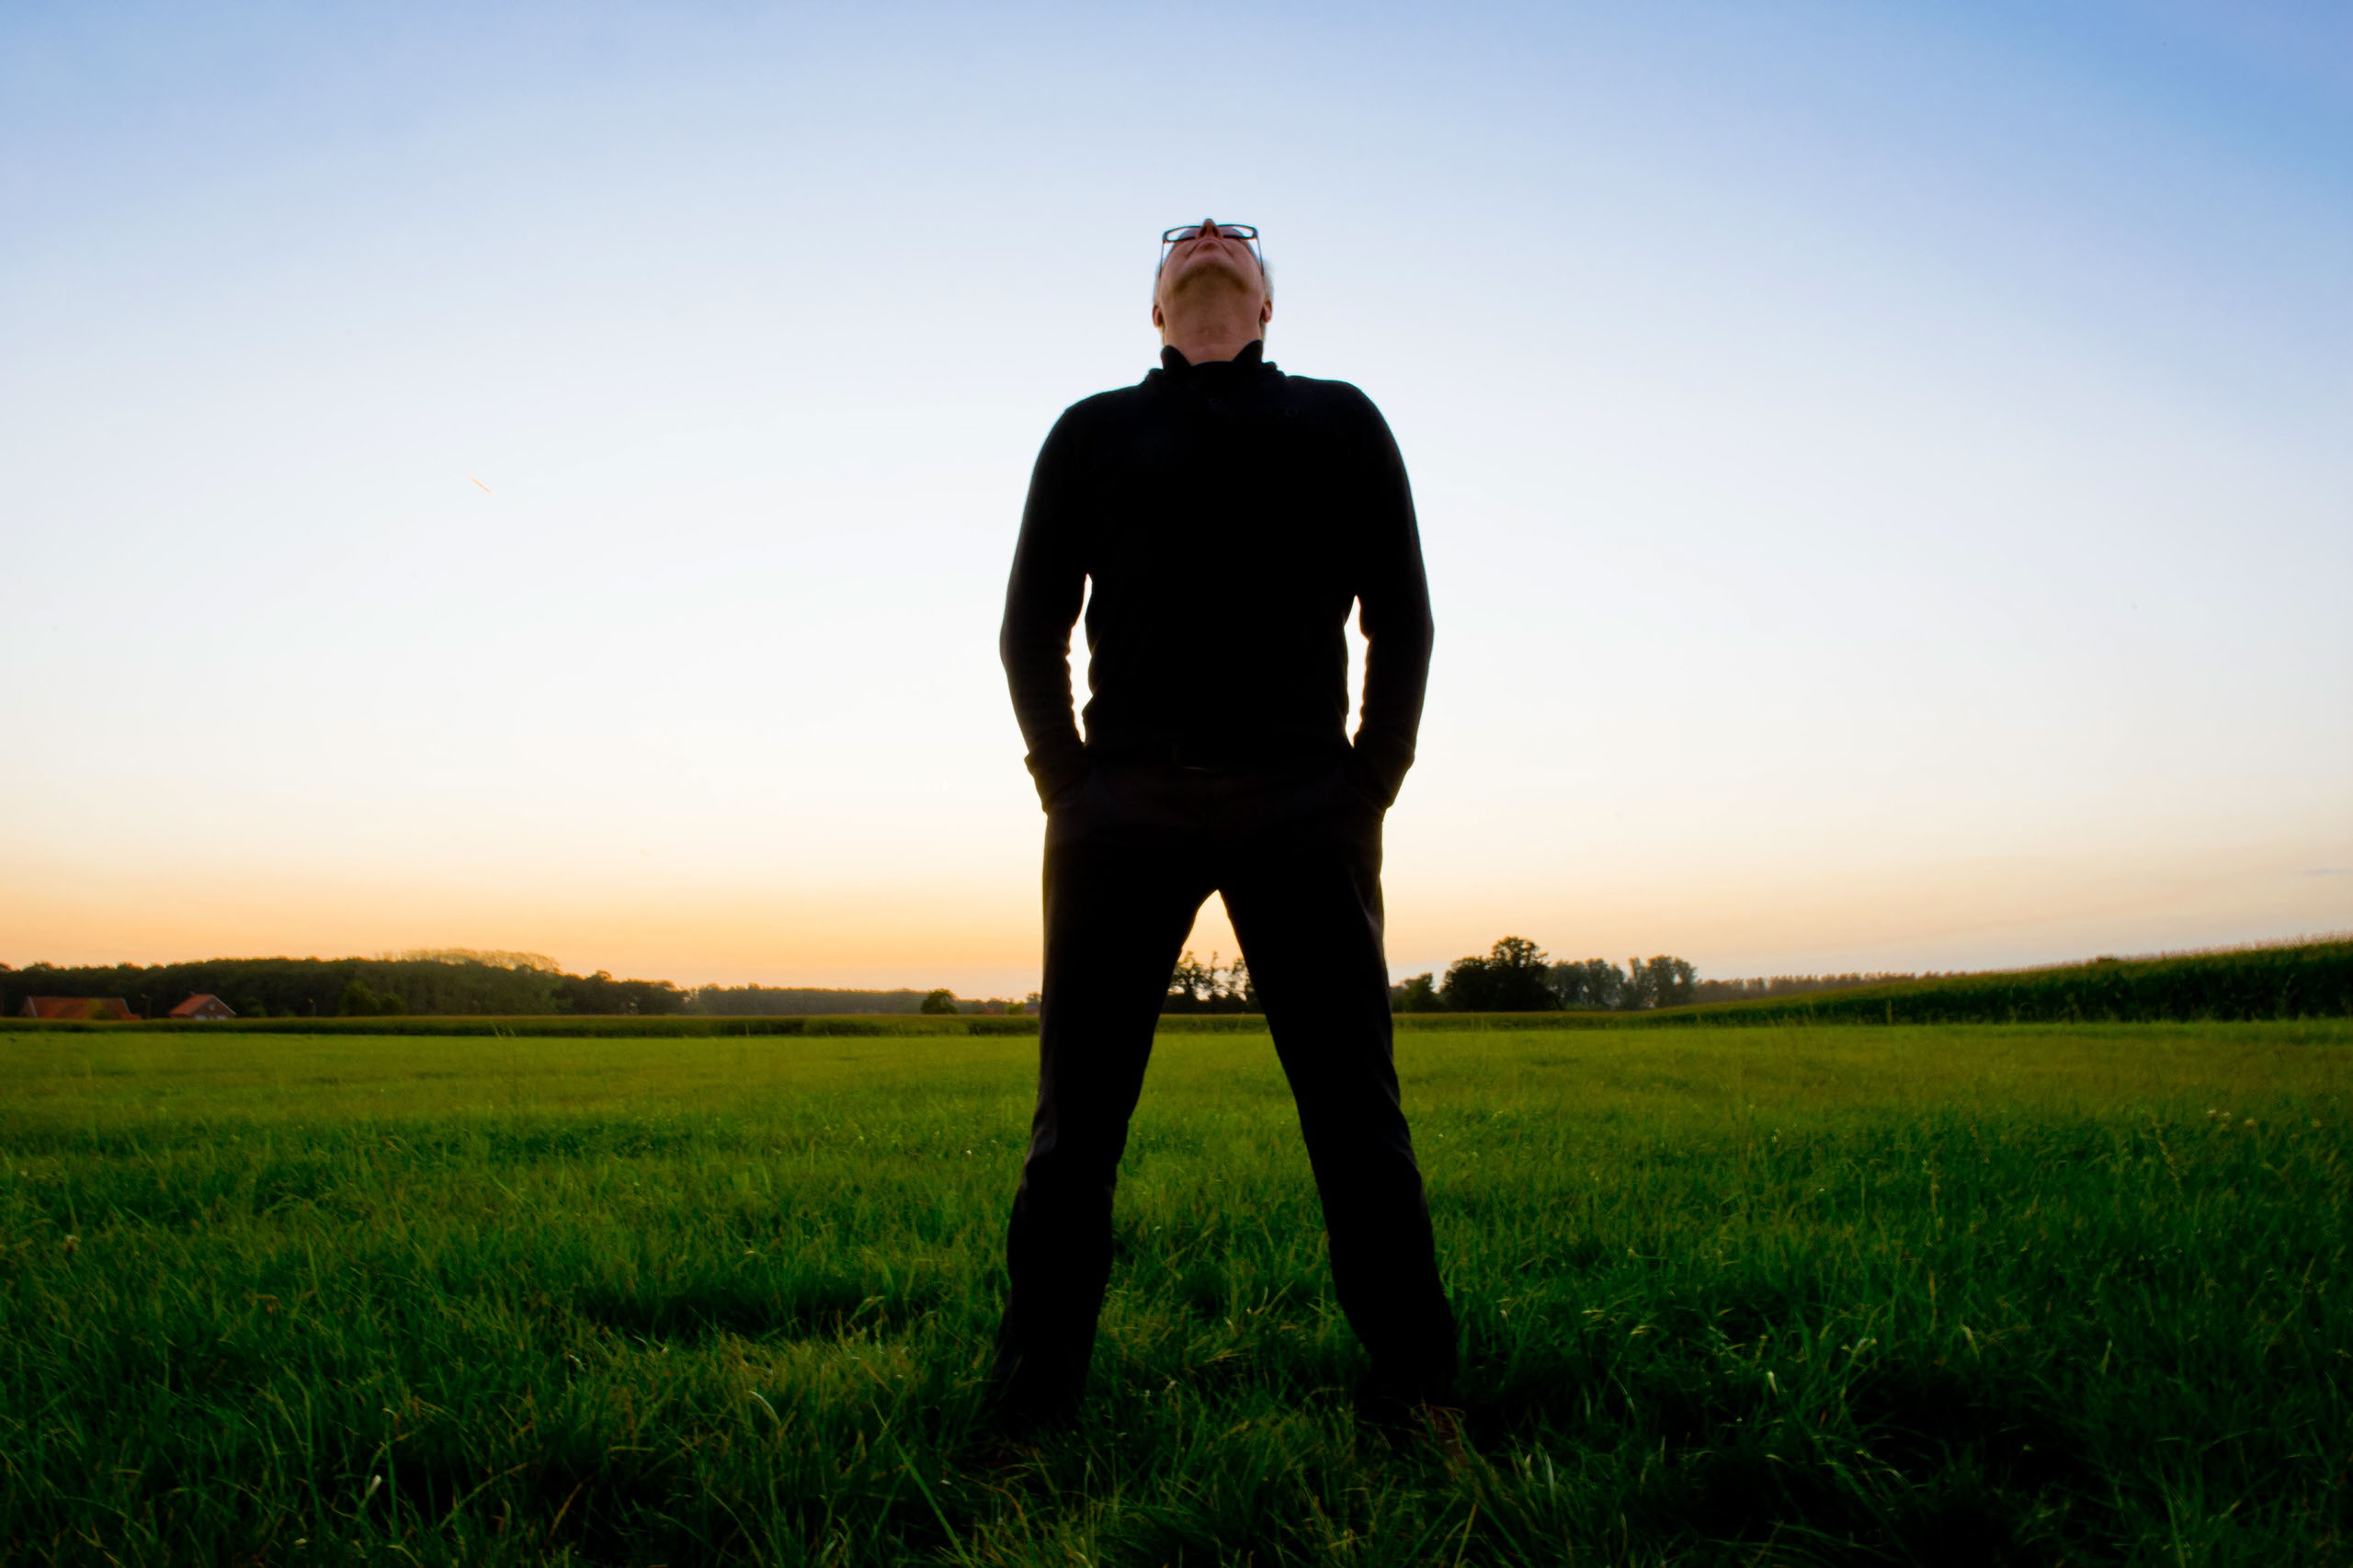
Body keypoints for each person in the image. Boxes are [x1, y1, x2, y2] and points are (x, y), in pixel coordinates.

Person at [988, 220, 1457, 1433]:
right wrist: (1065, 783)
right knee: (1074, 1128)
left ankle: (1417, 1393)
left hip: (1304, 799)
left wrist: (1370, 780)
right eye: (1185, 244)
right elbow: (1029, 626)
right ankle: (1029, 1410)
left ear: (1265, 303)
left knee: (1355, 1114)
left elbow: (1403, 618)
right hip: (1120, 804)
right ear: (1157, 307)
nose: (1209, 239)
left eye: (1237, 241)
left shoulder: (1340, 420)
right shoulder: (1092, 431)